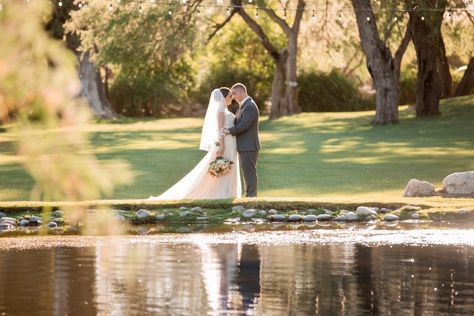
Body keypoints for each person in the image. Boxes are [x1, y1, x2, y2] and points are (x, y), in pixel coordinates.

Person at [149, 88, 241, 200]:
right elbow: (219, 131)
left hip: (230, 143)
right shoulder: (221, 112)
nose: (232, 98)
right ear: (224, 98)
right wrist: (221, 147)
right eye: (230, 96)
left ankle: (229, 193)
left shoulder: (225, 111)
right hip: (225, 145)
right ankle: (223, 194)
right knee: (224, 170)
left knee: (227, 169)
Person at [222, 83, 261, 197]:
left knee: (249, 172)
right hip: (244, 145)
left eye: (234, 93)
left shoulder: (250, 106)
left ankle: (251, 197)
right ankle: (250, 195)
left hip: (249, 145)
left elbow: (243, 126)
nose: (233, 96)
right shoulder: (243, 105)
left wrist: (228, 131)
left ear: (241, 92)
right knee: (247, 172)